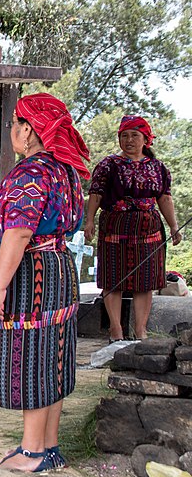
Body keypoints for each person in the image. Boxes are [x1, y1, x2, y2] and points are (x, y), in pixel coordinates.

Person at [0, 93, 89, 472]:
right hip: (59, 270)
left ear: (28, 131)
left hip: (32, 275)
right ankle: (49, 447)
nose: (12, 130)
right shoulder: (65, 171)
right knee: (53, 357)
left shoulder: (32, 172)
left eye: (14, 124)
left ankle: (31, 453)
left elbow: (19, 233)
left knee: (31, 357)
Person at [84, 116, 182, 342]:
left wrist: (174, 226)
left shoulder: (158, 168)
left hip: (148, 230)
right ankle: (116, 330)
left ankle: (141, 330)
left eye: (134, 135)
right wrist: (89, 220)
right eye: (124, 135)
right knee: (113, 279)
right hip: (115, 227)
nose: (129, 140)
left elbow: (165, 199)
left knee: (144, 280)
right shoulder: (108, 165)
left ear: (145, 140)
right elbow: (96, 194)